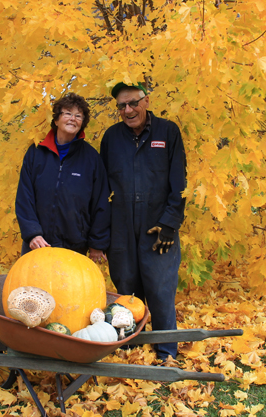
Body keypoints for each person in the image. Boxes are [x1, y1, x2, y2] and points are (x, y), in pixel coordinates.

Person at [100, 82, 187, 362]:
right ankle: (128, 346)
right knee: (126, 291)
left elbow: (179, 183)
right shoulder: (111, 138)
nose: (128, 110)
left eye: (133, 103)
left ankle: (165, 351)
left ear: (146, 101)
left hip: (157, 226)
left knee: (160, 291)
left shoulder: (168, 132)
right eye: (122, 106)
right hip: (121, 226)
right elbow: (102, 187)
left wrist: (170, 224)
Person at [15, 93, 110, 262]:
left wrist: (97, 243)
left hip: (74, 245)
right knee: (34, 287)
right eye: (67, 113)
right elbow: (24, 197)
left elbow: (100, 203)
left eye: (78, 116)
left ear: (82, 124)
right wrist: (32, 233)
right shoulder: (36, 152)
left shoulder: (91, 158)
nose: (73, 118)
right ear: (56, 120)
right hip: (37, 244)